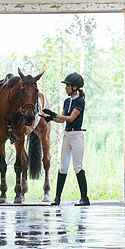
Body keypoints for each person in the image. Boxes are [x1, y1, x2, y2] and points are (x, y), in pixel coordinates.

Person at [42, 72, 90, 206]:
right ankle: (57, 198)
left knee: (77, 166)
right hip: (67, 135)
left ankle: (84, 198)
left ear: (75, 87)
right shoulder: (67, 101)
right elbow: (61, 120)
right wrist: (51, 117)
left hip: (77, 136)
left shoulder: (80, 101)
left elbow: (71, 118)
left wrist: (55, 114)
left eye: (67, 85)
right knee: (63, 167)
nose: (65, 88)